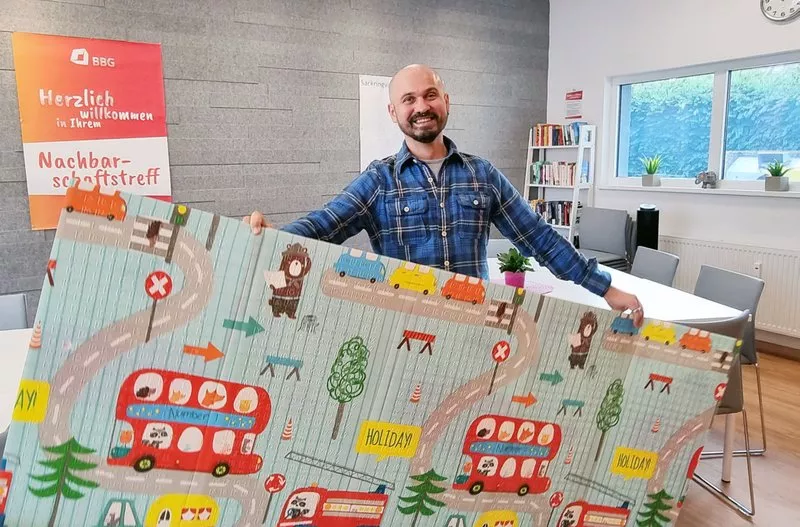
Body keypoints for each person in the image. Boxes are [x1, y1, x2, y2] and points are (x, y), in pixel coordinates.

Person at [245, 64, 644, 326]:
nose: (422, 106)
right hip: (403, 327)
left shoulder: (481, 175)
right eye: (409, 99)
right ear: (394, 112)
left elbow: (540, 238)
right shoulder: (379, 180)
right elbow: (324, 225)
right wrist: (273, 235)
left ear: (446, 102)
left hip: (474, 325)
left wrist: (606, 289)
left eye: (430, 94)